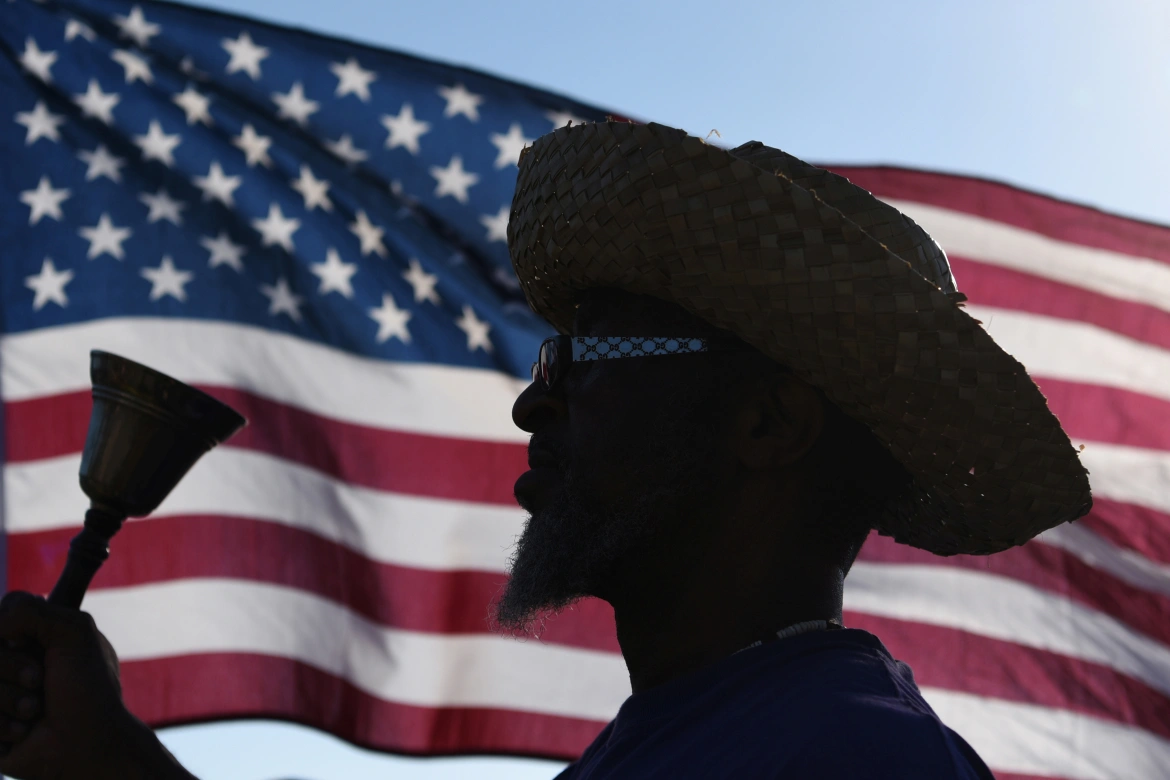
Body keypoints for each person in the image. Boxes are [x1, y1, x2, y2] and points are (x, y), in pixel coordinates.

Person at [0, 121, 1092, 779]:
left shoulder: (841, 759)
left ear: (770, 424)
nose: (536, 406)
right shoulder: (718, 736)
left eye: (585, 356)